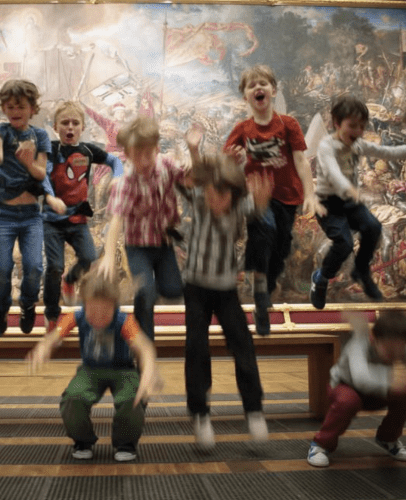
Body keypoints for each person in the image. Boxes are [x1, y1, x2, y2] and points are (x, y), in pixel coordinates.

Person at [182, 126, 273, 449]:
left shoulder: (239, 205)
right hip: (195, 287)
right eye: (211, 192)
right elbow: (199, 177)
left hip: (225, 291)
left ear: (233, 195)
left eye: (222, 195)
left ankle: (254, 411)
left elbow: (254, 206)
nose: (215, 200)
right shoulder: (199, 200)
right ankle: (200, 414)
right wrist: (194, 150)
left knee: (242, 346)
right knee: (196, 348)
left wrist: (260, 202)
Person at [309, 95, 406, 308]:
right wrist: (348, 188)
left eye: (361, 127)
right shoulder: (327, 146)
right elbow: (332, 172)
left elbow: (387, 152)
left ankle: (361, 270)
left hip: (349, 203)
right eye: (352, 126)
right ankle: (321, 278)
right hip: (329, 206)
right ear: (337, 123)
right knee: (344, 244)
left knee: (373, 227)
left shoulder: (358, 144)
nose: (358, 131)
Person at [224, 65, 322, 335]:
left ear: (273, 91)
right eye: (251, 85)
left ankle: (264, 291)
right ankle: (259, 299)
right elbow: (227, 163)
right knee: (262, 237)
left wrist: (310, 194)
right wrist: (232, 161)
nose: (258, 87)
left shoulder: (288, 124)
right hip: (258, 197)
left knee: (281, 250)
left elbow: (301, 161)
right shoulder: (242, 129)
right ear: (245, 96)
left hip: (287, 197)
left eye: (263, 83)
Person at [27, 267, 158, 462]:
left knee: (133, 398)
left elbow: (145, 348)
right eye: (92, 312)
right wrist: (44, 346)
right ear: (84, 303)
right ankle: (82, 441)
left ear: (114, 306)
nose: (98, 319)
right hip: (91, 370)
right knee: (73, 398)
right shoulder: (77, 316)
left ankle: (126, 443)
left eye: (104, 314)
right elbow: (55, 335)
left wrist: (148, 371)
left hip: (123, 370)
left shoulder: (124, 321)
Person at [306, 309, 406, 467]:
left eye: (399, 348)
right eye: (388, 348)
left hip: (376, 392)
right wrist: (391, 385)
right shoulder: (358, 344)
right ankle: (321, 444)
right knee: (348, 401)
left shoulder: (402, 346)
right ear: (375, 338)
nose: (393, 353)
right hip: (345, 386)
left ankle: (388, 439)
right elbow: (361, 379)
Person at [97, 116, 185, 340]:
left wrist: (193, 155)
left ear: (157, 149)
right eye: (137, 155)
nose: (144, 161)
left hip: (164, 243)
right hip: (137, 246)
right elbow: (116, 220)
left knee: (174, 291)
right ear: (127, 154)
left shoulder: (166, 166)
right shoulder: (126, 182)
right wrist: (109, 256)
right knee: (146, 293)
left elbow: (189, 178)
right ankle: (143, 345)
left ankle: (152, 290)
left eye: (148, 154)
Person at [42, 101, 124, 333]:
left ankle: (70, 280)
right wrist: (49, 197)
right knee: (54, 267)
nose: (70, 127)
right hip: (52, 220)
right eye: (64, 123)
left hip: (78, 219)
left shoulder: (88, 151)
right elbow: (39, 176)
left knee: (89, 258)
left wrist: (118, 175)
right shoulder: (49, 150)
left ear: (83, 127)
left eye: (75, 123)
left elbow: (114, 160)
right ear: (55, 127)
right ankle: (52, 314)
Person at [0, 79, 51, 335]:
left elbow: (40, 173)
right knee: (2, 269)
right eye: (10, 106)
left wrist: (28, 162)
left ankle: (28, 304)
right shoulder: (1, 131)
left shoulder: (40, 135)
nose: (15, 111)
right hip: (4, 214)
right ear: (3, 108)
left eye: (21, 106)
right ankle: (1, 307)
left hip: (31, 216)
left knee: (34, 268)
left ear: (32, 108)